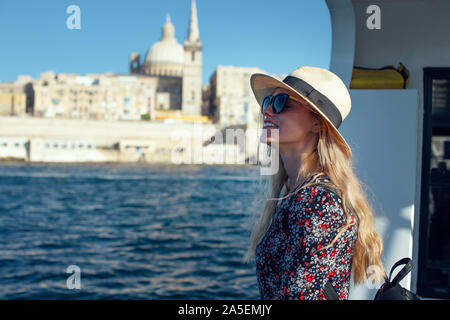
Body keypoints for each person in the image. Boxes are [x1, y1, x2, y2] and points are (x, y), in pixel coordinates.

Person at [244, 66, 385, 300]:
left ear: (317, 124)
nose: (267, 109)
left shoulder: (318, 202)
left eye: (281, 102)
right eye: (267, 101)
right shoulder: (298, 194)